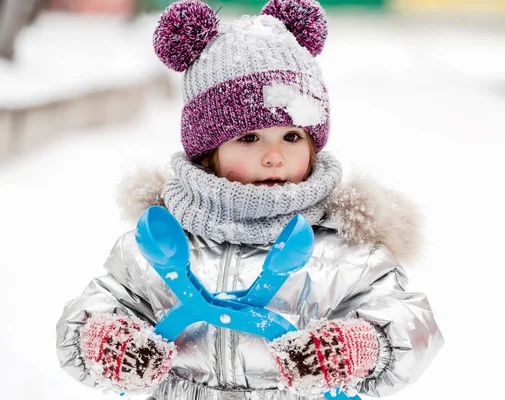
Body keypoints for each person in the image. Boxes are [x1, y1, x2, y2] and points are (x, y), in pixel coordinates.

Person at [56, 0, 444, 398]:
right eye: (248, 138)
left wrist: (360, 346)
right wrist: (106, 341)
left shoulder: (345, 247)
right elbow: (95, 309)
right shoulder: (161, 241)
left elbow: (411, 324)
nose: (273, 155)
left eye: (292, 137)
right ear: (209, 151)